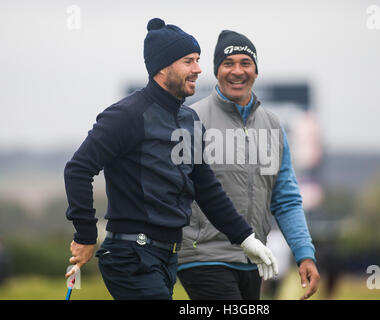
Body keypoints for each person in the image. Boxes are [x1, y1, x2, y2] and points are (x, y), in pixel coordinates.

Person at [63, 18, 277, 300]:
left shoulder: (189, 119)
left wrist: (245, 238)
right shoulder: (127, 114)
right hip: (130, 257)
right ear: (163, 67)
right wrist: (85, 235)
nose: (198, 69)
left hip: (167, 258)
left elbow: (206, 187)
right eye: (189, 61)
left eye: (198, 60)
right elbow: (78, 169)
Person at [177, 30, 320, 300]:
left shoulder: (274, 126)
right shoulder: (189, 119)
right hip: (202, 256)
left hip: (253, 259)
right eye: (228, 63)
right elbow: (170, 189)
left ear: (256, 70)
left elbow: (286, 199)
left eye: (246, 63)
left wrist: (304, 254)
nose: (237, 71)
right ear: (216, 70)